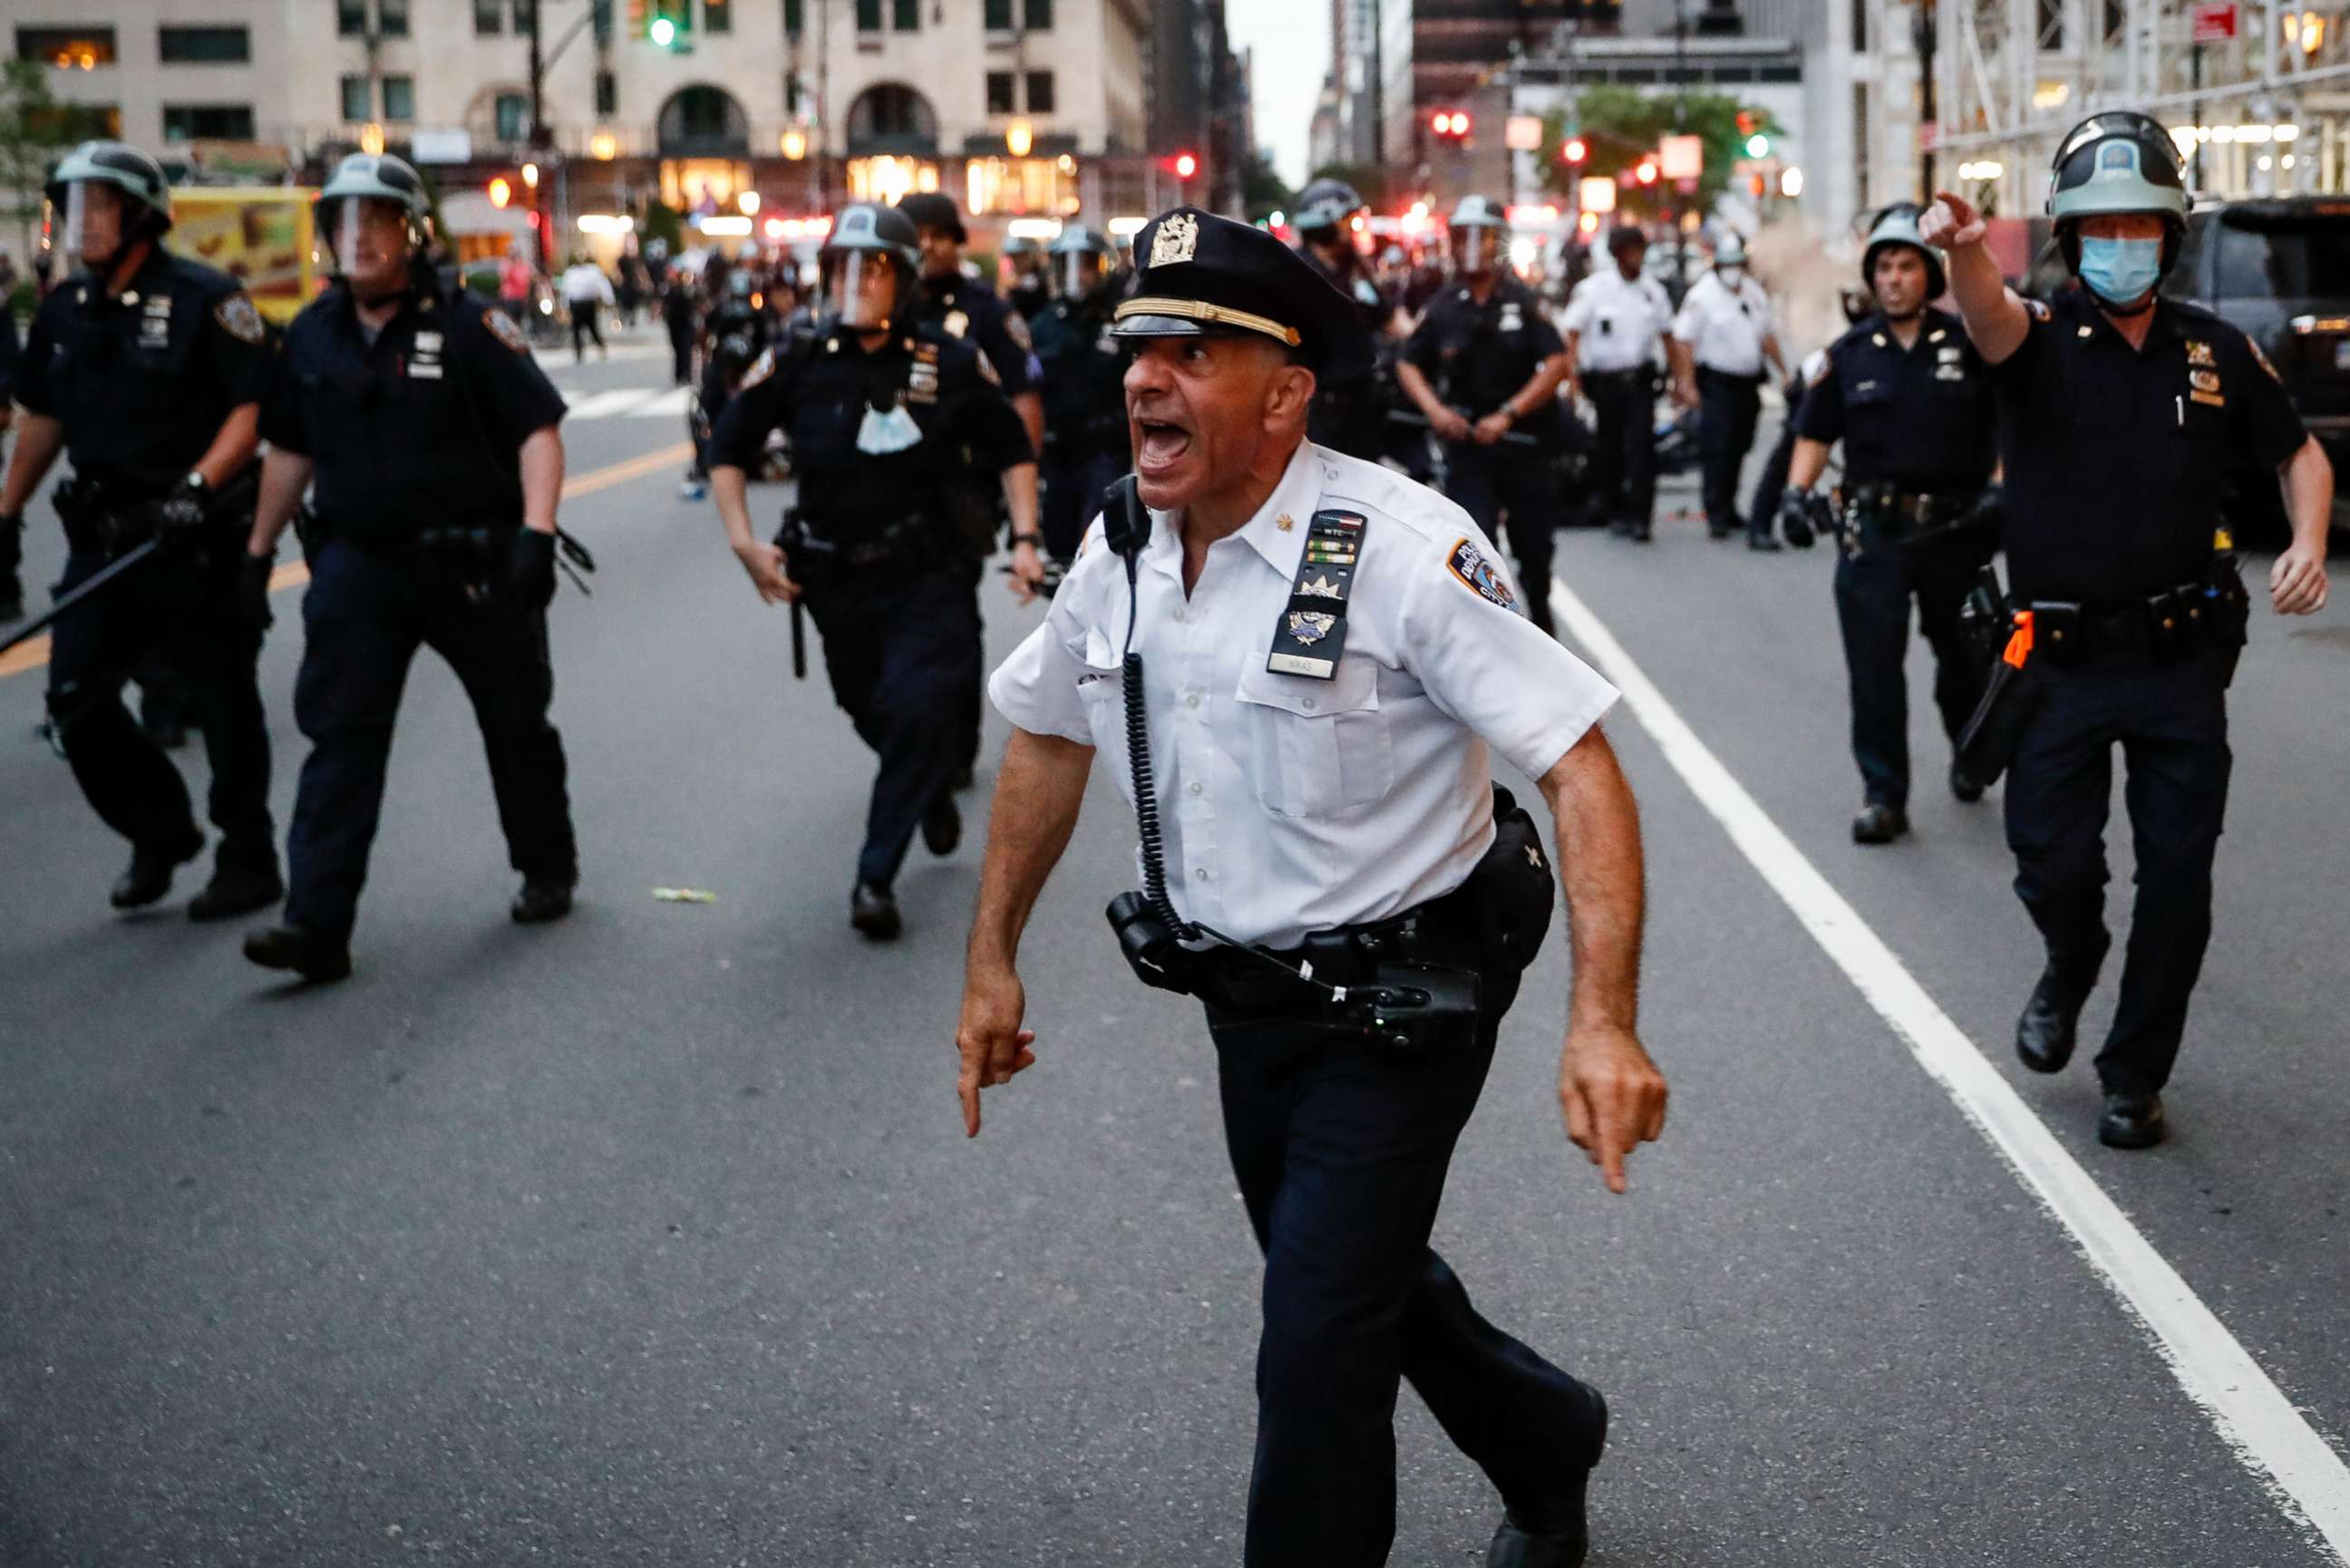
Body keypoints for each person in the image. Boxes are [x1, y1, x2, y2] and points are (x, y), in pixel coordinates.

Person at [958, 206, 1668, 1568]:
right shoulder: (1119, 545)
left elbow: (1579, 766)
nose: (1147, 375)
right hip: (1247, 999)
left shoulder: (1402, 549)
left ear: (1286, 394)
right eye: (1139, 345)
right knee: (1352, 1279)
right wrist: (992, 956)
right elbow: (1048, 732)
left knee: (1314, 1351)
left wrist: (1604, 1017)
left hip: (1412, 992)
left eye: (1196, 349)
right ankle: (1541, 1432)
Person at [1922, 111, 2331, 1148]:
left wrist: (2309, 542)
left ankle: (2134, 1071)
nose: (2119, 241)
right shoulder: (2041, 338)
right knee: (2051, 863)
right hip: (2056, 666)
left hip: (2181, 667)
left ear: (2169, 232)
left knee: (2180, 882)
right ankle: (2071, 956)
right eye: (2099, 225)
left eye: (2139, 224)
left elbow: (2300, 454)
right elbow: (1987, 315)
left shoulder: (2216, 349)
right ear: (2070, 236)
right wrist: (1965, 253)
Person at [239, 153, 579, 982]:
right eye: (342, 224)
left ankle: (546, 865)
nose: (356, 241)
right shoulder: (311, 334)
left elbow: (538, 431)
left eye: (375, 223)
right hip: (360, 570)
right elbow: (289, 449)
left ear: (412, 233)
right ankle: (315, 925)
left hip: (473, 565)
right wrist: (256, 552)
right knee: (340, 740)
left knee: (515, 723)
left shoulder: (469, 325)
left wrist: (537, 534)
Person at [706, 203, 1045, 940]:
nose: (856, 283)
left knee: (920, 705)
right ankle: (922, 787)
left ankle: (874, 877)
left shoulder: (946, 359)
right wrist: (743, 542)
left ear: (908, 280)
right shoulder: (798, 356)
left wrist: (1025, 536)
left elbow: (1012, 446)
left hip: (927, 573)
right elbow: (728, 447)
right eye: (843, 268)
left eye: (876, 269)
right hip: (835, 581)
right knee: (866, 705)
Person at [0, 140, 280, 919]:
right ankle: (159, 830)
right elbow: (42, 419)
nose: (82, 221)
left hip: (192, 535)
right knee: (75, 700)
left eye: (99, 205)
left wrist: (199, 485)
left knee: (222, 700)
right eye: (74, 205)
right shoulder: (63, 308)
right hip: (104, 540)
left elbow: (250, 408)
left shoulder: (207, 297)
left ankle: (248, 857)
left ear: (142, 214)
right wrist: (6, 511)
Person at [1780, 205, 2002, 846]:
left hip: (1955, 531)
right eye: (1884, 267)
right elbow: (1815, 433)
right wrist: (1796, 494)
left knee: (1964, 656)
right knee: (1874, 672)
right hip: (1873, 534)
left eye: (1906, 265)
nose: (1894, 278)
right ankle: (1884, 795)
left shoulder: (1970, 346)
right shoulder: (1848, 355)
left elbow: (2007, 424)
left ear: (1929, 276)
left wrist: (2001, 489)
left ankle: (1970, 748)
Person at [895, 190, 1048, 788]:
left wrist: (1024, 495)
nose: (926, 245)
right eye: (915, 234)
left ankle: (955, 747)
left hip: (963, 486)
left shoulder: (986, 311)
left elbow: (1024, 398)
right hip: (892, 488)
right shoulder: (889, 307)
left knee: (953, 619)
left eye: (936, 233)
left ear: (957, 240)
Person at [1396, 195, 1570, 634]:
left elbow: (1555, 363)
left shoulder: (1524, 301)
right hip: (1467, 446)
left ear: (1500, 242)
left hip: (1522, 444)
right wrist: (1436, 412)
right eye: (1463, 237)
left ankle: (1542, 623)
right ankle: (1492, 637)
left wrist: (1510, 413)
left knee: (1534, 546)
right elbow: (1407, 362)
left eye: (1483, 237)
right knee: (1474, 548)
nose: (1472, 247)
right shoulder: (1442, 305)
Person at [1560, 225, 1681, 541]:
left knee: (1642, 450)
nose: (1638, 258)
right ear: (1618, 255)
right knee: (1608, 450)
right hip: (1604, 383)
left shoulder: (1653, 290)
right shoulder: (1595, 290)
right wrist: (1572, 383)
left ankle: (1641, 516)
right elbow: (1571, 336)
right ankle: (1615, 510)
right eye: (1632, 251)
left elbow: (1669, 338)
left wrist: (1681, 381)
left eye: (1641, 251)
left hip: (1640, 381)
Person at [1670, 232, 1788, 546]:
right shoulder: (1702, 296)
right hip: (1716, 383)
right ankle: (1716, 511)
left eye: (1737, 264)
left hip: (1747, 384)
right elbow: (1683, 341)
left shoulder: (1753, 293)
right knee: (1717, 448)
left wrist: (1784, 371)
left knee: (1739, 445)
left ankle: (1731, 506)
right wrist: (1686, 382)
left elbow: (1767, 335)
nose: (1732, 270)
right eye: (1727, 264)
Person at [1026, 223, 1130, 564]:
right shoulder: (1041, 325)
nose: (1078, 276)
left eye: (1086, 265)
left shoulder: (1121, 324)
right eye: (1069, 265)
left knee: (1098, 538)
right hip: (1058, 451)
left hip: (1104, 447)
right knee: (1058, 537)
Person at [1290, 177, 1402, 461]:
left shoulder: (1356, 268)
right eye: (1348, 222)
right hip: (1319, 408)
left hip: (1362, 403)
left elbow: (1389, 319)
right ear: (1327, 225)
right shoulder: (1296, 272)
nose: (1355, 231)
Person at [560, 253, 613, 362]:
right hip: (575, 304)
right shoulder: (570, 272)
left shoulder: (593, 271)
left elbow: (603, 285)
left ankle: (601, 347)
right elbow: (566, 289)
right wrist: (564, 305)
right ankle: (578, 352)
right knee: (576, 330)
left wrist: (608, 299)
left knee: (593, 328)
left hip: (588, 303)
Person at [662, 268, 698, 386]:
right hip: (675, 324)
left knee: (686, 349)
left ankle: (686, 374)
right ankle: (679, 374)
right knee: (678, 349)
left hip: (686, 324)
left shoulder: (690, 290)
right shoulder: (671, 290)